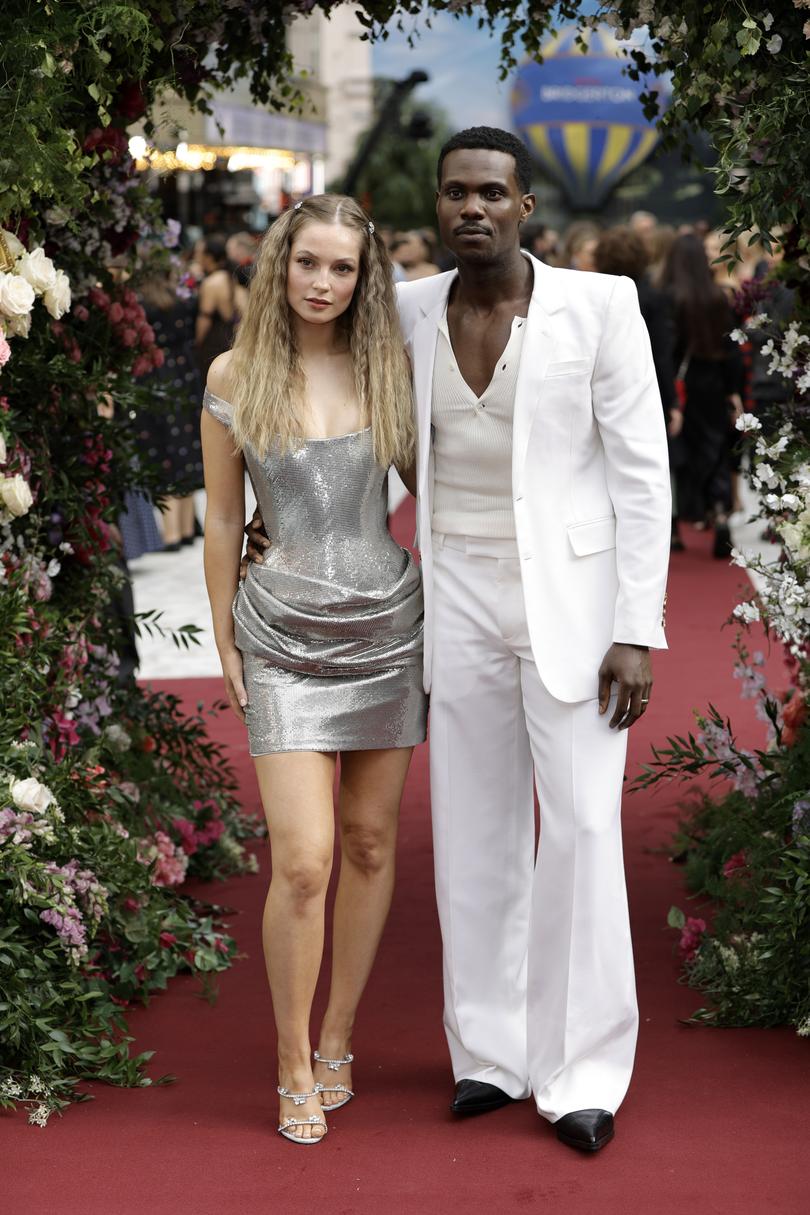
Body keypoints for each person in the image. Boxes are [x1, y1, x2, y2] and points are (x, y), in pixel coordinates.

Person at [248, 128, 671, 1153]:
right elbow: (356, 429)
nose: (471, 208)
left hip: (573, 602)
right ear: (436, 209)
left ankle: (583, 1071)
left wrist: (636, 626)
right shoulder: (404, 313)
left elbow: (642, 473)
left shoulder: (598, 307)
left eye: (491, 192)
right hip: (458, 599)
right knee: (474, 835)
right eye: (454, 194)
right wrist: (283, 517)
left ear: (526, 205)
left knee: (577, 830)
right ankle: (489, 1054)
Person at [201, 194, 427, 1146]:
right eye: (309, 263)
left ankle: (337, 1035)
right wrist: (223, 637)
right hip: (281, 634)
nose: (324, 283)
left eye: (342, 267)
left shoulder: (390, 367)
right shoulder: (233, 371)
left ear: (364, 275)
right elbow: (220, 517)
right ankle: (290, 1055)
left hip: (386, 627)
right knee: (303, 857)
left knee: (372, 845)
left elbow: (445, 488)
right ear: (279, 264)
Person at [593, 227, 683, 551]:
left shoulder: (593, 296)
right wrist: (671, 401)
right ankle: (662, 525)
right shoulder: (654, 298)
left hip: (602, 390)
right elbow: (662, 353)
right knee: (649, 458)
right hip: (647, 389)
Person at [660, 233, 743, 556]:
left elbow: (667, 350)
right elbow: (732, 350)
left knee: (677, 457)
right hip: (714, 383)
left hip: (680, 386)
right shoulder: (718, 297)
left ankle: (674, 527)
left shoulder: (669, 298)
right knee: (715, 450)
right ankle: (720, 514)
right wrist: (734, 390)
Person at [137, 266, 204, 549]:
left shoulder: (142, 304)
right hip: (185, 372)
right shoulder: (183, 299)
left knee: (163, 450)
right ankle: (186, 528)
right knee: (186, 447)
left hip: (155, 375)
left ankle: (172, 533)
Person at [194, 233, 249, 380]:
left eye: (199, 253)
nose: (196, 257)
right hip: (230, 339)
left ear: (209, 257)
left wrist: (197, 344)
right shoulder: (231, 277)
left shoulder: (212, 282)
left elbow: (204, 318)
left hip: (214, 342)